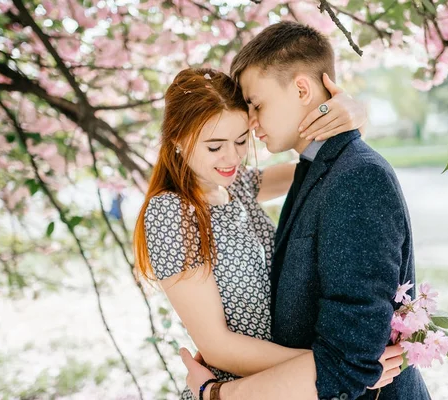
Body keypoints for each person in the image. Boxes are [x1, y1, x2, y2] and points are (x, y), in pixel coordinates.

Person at [180, 21, 431, 400]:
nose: (250, 121)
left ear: (301, 88)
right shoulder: (314, 168)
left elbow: (348, 361)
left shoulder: (357, 176)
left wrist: (215, 394)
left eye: (256, 104)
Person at [133, 67, 403, 400]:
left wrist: (355, 113)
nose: (232, 157)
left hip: (291, 384)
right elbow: (217, 347)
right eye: (214, 147)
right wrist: (341, 369)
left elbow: (330, 164)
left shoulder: (239, 186)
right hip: (240, 387)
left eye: (241, 140)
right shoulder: (171, 214)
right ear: (177, 139)